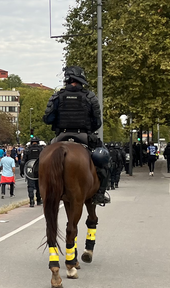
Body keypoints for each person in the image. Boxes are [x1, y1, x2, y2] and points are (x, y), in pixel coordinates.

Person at [42, 66, 110, 205]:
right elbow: (97, 122)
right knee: (104, 161)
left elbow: (47, 119)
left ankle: (39, 183)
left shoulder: (56, 96)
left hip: (61, 135)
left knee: (42, 159)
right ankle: (100, 194)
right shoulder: (89, 96)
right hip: (83, 135)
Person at [24, 137, 43, 207]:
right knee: (39, 185)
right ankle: (38, 200)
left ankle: (31, 201)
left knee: (30, 186)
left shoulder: (27, 150)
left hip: (30, 169)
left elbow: (23, 161)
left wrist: (22, 170)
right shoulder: (41, 149)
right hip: (39, 169)